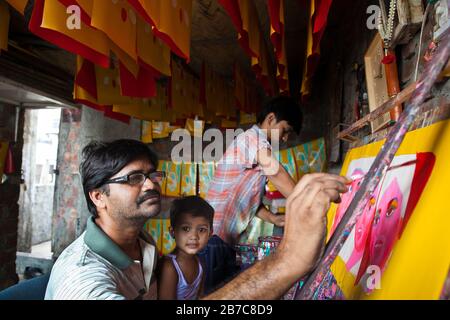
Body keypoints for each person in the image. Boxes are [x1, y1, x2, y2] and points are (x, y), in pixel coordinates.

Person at [45, 139, 349, 300]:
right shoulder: (83, 281)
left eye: (152, 175)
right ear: (98, 196)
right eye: (135, 178)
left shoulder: (141, 243)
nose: (151, 184)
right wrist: (287, 261)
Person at [205, 96, 302, 246]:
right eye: (285, 130)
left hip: (224, 237)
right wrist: (307, 202)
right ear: (271, 118)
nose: (285, 138)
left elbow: (248, 199)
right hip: (214, 235)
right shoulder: (252, 139)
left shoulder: (257, 148)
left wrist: (272, 218)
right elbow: (276, 172)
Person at [157, 196, 213, 300]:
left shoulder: (200, 264)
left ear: (210, 234)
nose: (194, 237)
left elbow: (200, 297)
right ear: (173, 232)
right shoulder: (170, 267)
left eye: (201, 230)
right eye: (186, 228)